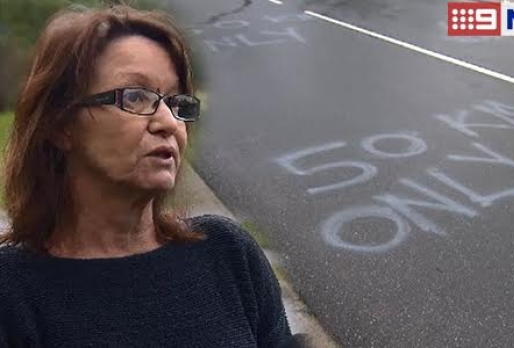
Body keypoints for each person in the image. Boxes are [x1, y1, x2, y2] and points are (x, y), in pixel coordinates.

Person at [0, 4, 302, 347]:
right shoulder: (12, 292)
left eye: (177, 102)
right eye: (136, 96)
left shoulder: (228, 254)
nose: (170, 123)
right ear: (61, 124)